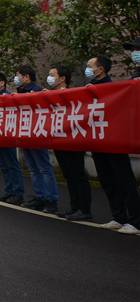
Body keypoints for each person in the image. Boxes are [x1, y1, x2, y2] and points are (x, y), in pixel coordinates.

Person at [86, 56, 140, 234]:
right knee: (107, 180)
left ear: (100, 69)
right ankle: (118, 217)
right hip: (97, 139)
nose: (87, 69)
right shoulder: (87, 90)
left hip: (114, 139)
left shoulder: (115, 88)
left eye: (89, 66)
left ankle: (136, 221)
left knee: (124, 180)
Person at [47, 66, 92, 221]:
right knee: (68, 175)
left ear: (62, 78)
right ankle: (74, 207)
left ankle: (85, 209)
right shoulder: (49, 95)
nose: (49, 77)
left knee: (78, 175)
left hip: (73, 140)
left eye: (52, 75)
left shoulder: (74, 94)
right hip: (59, 139)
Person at [13, 65, 59, 214]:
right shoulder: (19, 92)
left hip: (37, 134)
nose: (16, 78)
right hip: (25, 134)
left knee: (44, 168)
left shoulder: (37, 91)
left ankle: (51, 199)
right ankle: (39, 197)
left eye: (18, 75)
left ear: (26, 77)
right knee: (33, 168)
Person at [0, 72, 25, 205]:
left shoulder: (8, 96)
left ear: (2, 82)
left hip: (7, 136)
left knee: (12, 165)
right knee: (3, 165)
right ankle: (9, 190)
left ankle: (18, 192)